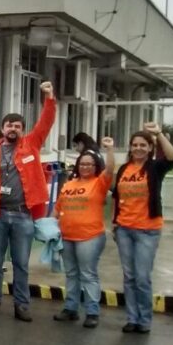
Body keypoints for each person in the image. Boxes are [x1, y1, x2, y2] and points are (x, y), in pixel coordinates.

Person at [0, 81, 57, 322]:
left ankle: (22, 305)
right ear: (2, 128)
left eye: (18, 126)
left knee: (21, 263)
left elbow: (46, 121)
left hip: (23, 215)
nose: (13, 129)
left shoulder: (31, 144)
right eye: (9, 125)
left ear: (23, 130)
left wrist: (49, 97)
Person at [112, 123, 173, 334]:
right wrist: (114, 222)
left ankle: (145, 319)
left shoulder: (155, 168)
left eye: (143, 145)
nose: (138, 148)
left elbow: (172, 158)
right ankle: (132, 318)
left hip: (148, 230)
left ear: (150, 148)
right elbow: (117, 198)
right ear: (130, 147)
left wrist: (158, 134)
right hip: (124, 229)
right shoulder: (124, 169)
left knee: (142, 277)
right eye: (135, 145)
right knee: (129, 276)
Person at [53, 137, 116, 329]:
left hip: (90, 237)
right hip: (67, 237)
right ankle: (71, 308)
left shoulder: (99, 183)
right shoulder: (69, 184)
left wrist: (110, 150)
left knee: (88, 274)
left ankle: (92, 312)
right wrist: (51, 226)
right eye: (82, 164)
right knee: (71, 274)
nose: (85, 167)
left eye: (89, 164)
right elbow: (57, 208)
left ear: (95, 166)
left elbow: (110, 169)